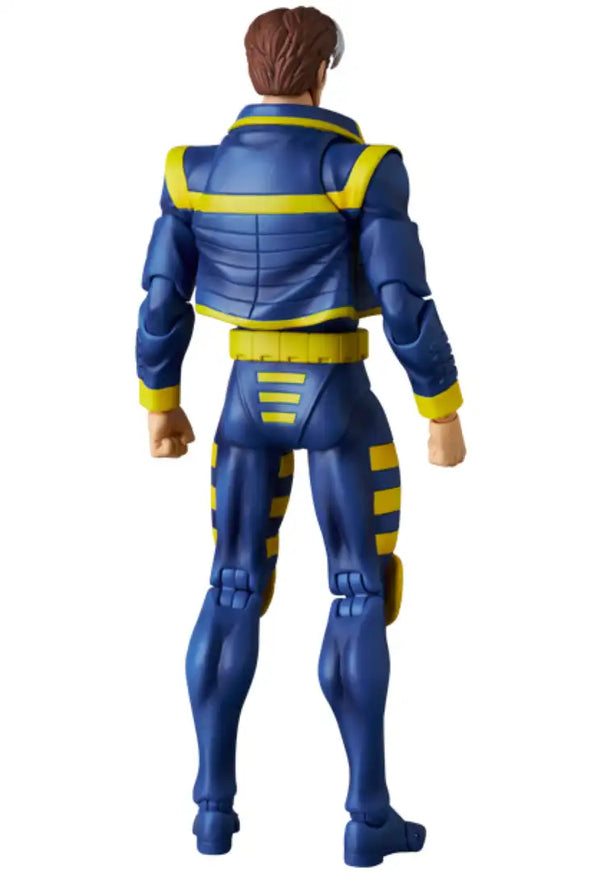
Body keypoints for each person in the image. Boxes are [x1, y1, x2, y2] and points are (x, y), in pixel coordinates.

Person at [136, 6, 466, 866]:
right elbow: (403, 302)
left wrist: (160, 401)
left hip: (244, 398)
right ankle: (366, 816)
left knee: (231, 585)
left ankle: (212, 813)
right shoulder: (360, 169)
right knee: (359, 593)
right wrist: (441, 409)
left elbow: (163, 300)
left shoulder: (193, 172)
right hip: (334, 395)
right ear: (323, 70)